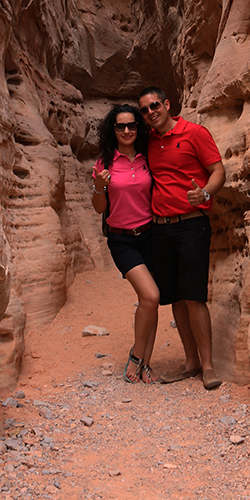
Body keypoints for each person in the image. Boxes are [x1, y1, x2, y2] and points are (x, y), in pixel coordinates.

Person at [137, 86, 226, 390]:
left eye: (154, 105)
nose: (151, 112)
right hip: (161, 229)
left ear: (166, 104)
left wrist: (205, 193)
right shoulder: (149, 141)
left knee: (194, 295)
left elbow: (218, 170)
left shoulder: (195, 133)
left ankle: (209, 367)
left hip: (191, 225)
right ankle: (191, 363)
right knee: (175, 296)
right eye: (145, 110)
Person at [92, 104, 160, 383]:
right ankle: (136, 355)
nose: (127, 130)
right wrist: (99, 185)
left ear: (138, 127)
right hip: (122, 240)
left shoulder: (148, 157)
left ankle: (146, 363)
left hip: (151, 235)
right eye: (120, 126)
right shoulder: (104, 163)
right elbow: (99, 207)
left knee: (151, 301)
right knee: (151, 296)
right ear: (113, 129)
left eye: (132, 125)